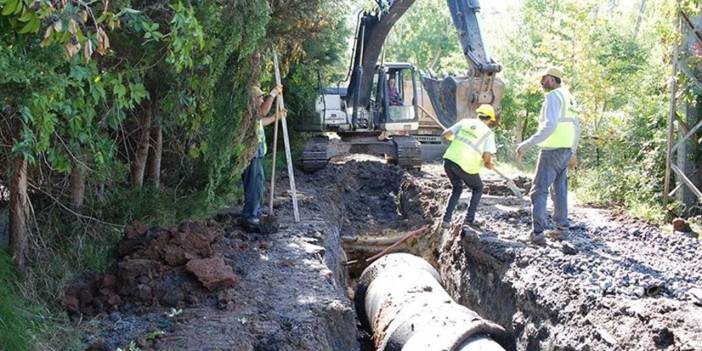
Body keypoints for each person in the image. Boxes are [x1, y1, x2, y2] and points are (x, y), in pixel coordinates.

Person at [516, 67, 580, 245]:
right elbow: (576, 127)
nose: (541, 82)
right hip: (565, 150)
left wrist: (526, 144)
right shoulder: (569, 97)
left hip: (551, 150)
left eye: (544, 79)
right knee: (559, 191)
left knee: (539, 192)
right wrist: (573, 151)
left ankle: (537, 234)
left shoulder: (553, 97)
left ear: (552, 79)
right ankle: (562, 230)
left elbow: (550, 126)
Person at [441, 104, 498, 228]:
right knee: (478, 188)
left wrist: (452, 137)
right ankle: (469, 219)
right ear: (489, 119)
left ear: (478, 115)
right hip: (465, 165)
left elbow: (445, 134)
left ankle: (446, 219)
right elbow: (487, 156)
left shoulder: (465, 122)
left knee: (457, 188)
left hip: (449, 160)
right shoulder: (488, 133)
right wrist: (488, 163)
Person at [240, 84, 283, 232]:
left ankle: (254, 212)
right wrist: (273, 94)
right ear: (252, 100)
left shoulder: (253, 116)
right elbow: (262, 112)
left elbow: (261, 121)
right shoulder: (250, 112)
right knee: (253, 185)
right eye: (260, 97)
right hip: (252, 154)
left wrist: (276, 117)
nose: (262, 99)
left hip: (257, 154)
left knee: (257, 185)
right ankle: (250, 216)